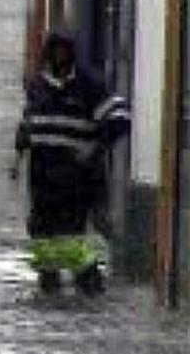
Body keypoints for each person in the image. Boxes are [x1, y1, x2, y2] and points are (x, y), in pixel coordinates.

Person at [13, 32, 130, 240]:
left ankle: (83, 271)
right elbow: (29, 119)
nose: (58, 57)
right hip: (41, 171)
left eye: (63, 51)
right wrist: (21, 146)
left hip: (75, 173)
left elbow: (119, 118)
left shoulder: (90, 84)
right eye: (54, 51)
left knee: (71, 228)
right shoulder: (38, 85)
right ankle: (49, 270)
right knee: (40, 225)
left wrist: (95, 150)